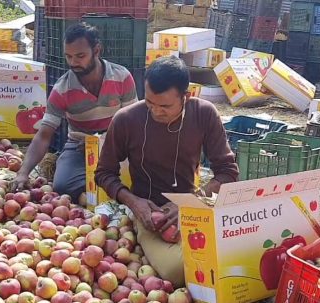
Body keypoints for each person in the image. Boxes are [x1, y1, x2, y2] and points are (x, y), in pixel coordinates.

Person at [95, 57, 239, 286]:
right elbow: (103, 173)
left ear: (186, 96)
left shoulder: (204, 113)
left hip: (195, 205)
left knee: (239, 253)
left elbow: (228, 173)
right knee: (178, 271)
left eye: (165, 106)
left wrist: (190, 202)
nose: (156, 111)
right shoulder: (127, 119)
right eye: (151, 102)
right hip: (151, 214)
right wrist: (134, 202)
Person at [13, 23, 138, 201]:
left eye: (80, 56)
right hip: (80, 146)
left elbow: (132, 123)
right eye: (69, 56)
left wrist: (105, 142)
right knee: (63, 185)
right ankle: (104, 191)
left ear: (97, 50)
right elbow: (44, 135)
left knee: (145, 177)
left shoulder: (121, 76)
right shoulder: (62, 89)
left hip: (117, 144)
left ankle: (99, 189)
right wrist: (23, 173)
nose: (73, 63)